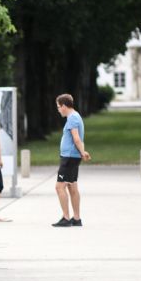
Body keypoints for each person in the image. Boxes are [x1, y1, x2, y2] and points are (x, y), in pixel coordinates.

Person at [53, 93, 91, 227]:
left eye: (58, 107)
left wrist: (82, 152)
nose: (58, 109)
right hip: (71, 157)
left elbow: (76, 138)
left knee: (59, 187)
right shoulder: (75, 116)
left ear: (64, 106)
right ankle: (76, 218)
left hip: (69, 157)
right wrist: (81, 152)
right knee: (72, 186)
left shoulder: (72, 118)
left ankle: (66, 217)